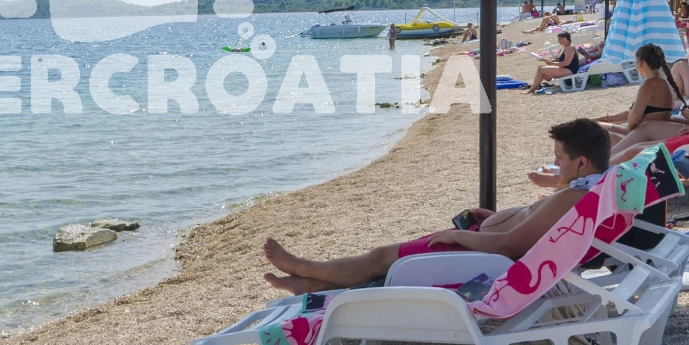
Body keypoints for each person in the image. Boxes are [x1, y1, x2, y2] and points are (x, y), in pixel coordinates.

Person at [261, 119, 613, 294]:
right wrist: (497, 218)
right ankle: (311, 284)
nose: (555, 165)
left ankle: (304, 268)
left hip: (481, 256)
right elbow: (531, 230)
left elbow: (509, 246)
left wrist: (459, 237)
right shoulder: (591, 191)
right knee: (386, 263)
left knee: (381, 259)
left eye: (559, 158)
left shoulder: (574, 198)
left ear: (582, 163)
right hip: (481, 243)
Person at [593, 44, 679, 143]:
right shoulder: (665, 81)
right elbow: (636, 113)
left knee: (594, 129)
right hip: (657, 133)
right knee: (595, 124)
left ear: (640, 62)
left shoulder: (649, 84)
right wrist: (606, 118)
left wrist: (629, 130)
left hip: (644, 136)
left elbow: (635, 115)